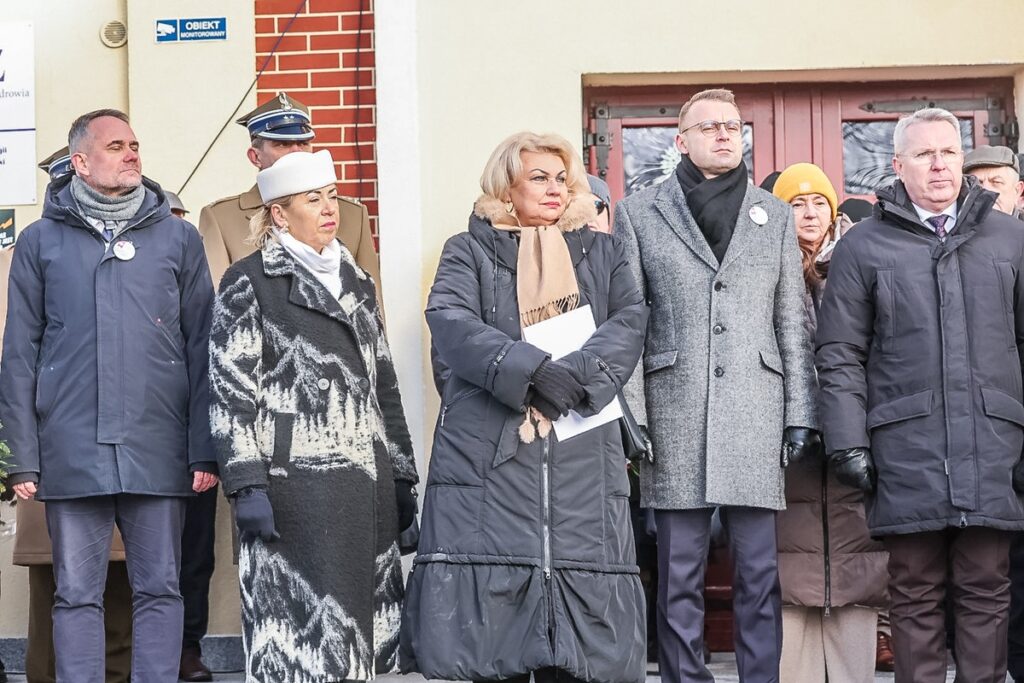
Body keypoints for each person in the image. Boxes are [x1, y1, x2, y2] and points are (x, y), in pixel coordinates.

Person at [400, 132, 648, 683]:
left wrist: (573, 379)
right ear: (505, 187)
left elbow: (630, 322)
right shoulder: (466, 251)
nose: (555, 188)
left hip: (580, 453)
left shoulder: (603, 253)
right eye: (539, 177)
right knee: (494, 650)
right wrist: (532, 372)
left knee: (579, 663)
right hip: (489, 458)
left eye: (562, 178)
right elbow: (452, 322)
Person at [0, 109, 218, 683]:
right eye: (116, 146)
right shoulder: (39, 242)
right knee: (75, 594)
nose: (131, 154)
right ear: (80, 162)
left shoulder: (178, 237)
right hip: (70, 449)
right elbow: (19, 353)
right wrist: (21, 454)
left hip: (158, 445)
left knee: (160, 589)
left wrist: (204, 449)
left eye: (135, 144)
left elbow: (204, 350)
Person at [615, 88, 818, 683]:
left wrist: (799, 411)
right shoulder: (639, 213)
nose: (724, 135)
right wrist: (633, 411)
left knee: (759, 573)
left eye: (732, 125)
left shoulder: (772, 215)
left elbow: (790, 320)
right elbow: (631, 319)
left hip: (757, 410)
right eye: (709, 127)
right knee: (679, 574)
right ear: (682, 141)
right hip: (673, 411)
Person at [816, 107, 1024, 683]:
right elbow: (839, 353)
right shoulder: (865, 246)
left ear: (963, 161)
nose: (939, 165)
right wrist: (847, 442)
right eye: (925, 154)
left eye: (949, 152)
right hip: (905, 450)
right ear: (898, 164)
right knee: (914, 596)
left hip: (993, 444)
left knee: (987, 593)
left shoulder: (1009, 237)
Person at [208, 150, 418, 682]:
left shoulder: (357, 283)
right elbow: (230, 389)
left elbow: (383, 383)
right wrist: (246, 484)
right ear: (279, 214)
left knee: (355, 653)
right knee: (298, 650)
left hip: (364, 488)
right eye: (312, 199)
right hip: (290, 491)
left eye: (331, 196)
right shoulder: (249, 280)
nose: (329, 209)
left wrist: (401, 473)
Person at [6, 148, 134, 683]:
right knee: (53, 584)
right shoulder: (25, 257)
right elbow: (12, 364)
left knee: (124, 580)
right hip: (45, 444)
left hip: (120, 447)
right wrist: (15, 457)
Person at [771, 162, 888, 683]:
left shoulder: (859, 262)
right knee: (788, 585)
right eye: (796, 204)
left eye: (819, 201)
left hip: (850, 440)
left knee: (855, 575)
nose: (810, 212)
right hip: (788, 448)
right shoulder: (765, 270)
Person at [198, 92, 380, 293]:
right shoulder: (222, 220)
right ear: (255, 157)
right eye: (282, 144)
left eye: (303, 143)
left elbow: (373, 306)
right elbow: (220, 307)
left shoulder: (352, 215)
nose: (297, 152)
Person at [963, 144, 1024, 219]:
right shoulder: (948, 227)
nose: (985, 189)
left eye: (996, 182)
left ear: (1017, 191)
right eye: (976, 183)